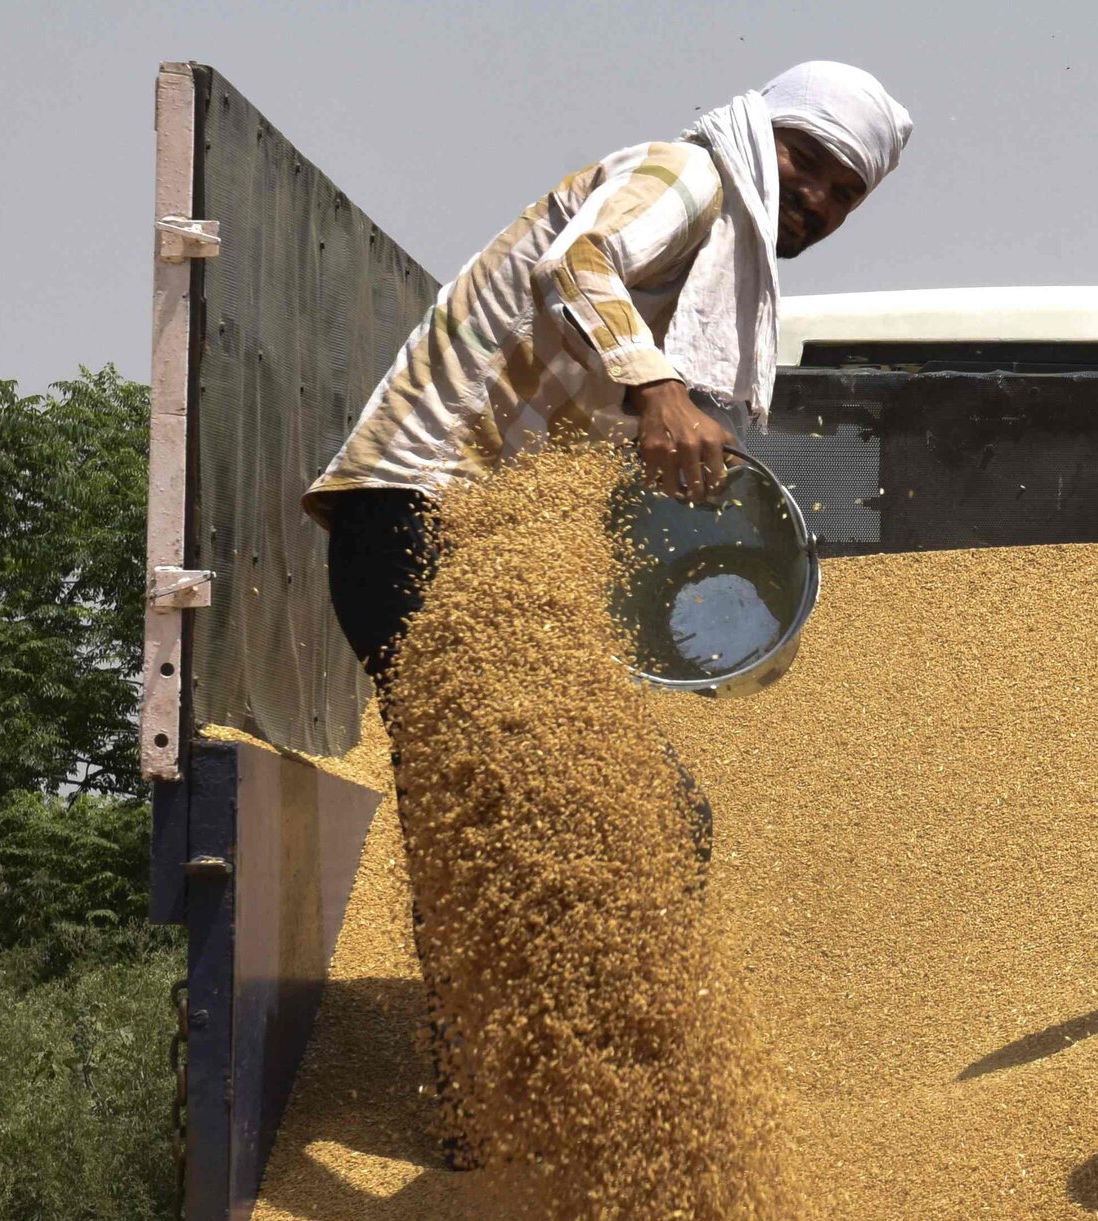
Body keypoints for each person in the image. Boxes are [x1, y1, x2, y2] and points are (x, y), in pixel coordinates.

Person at [304, 62, 908, 1163]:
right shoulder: (686, 175)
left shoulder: (707, 268)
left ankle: (566, 1073)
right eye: (805, 163)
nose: (812, 198)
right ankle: (494, 1097)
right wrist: (658, 389)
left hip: (485, 545)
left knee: (647, 812)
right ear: (757, 130)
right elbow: (575, 257)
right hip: (417, 517)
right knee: (497, 812)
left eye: (840, 192)